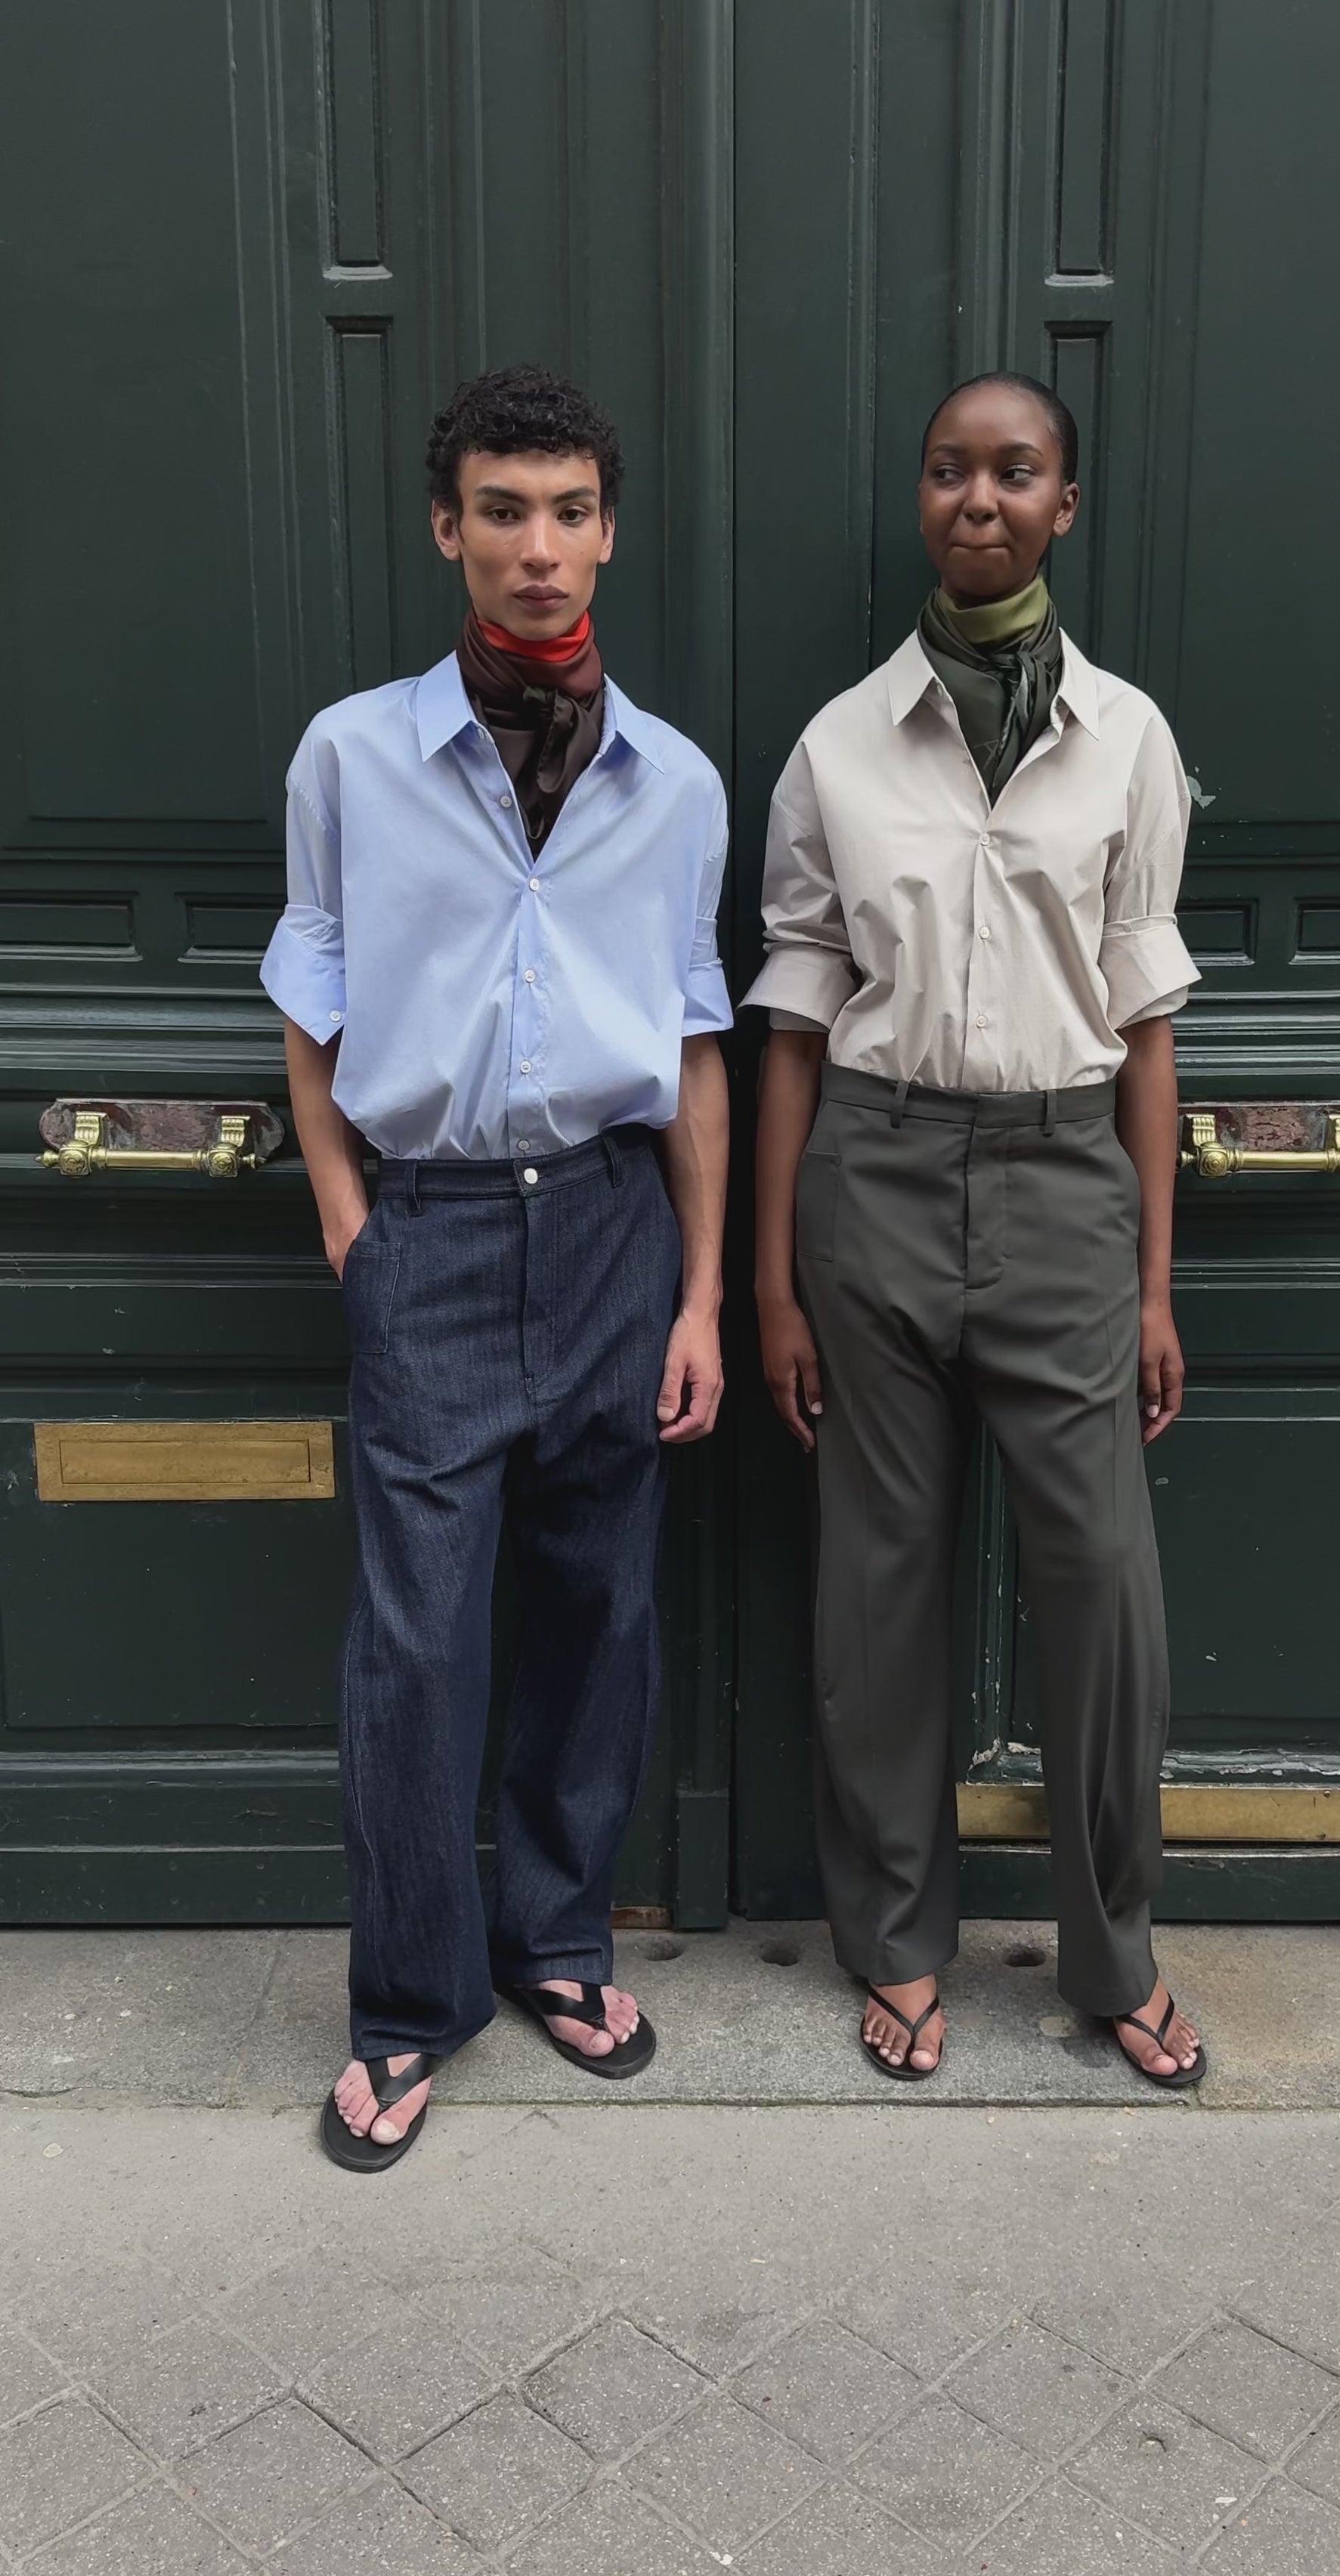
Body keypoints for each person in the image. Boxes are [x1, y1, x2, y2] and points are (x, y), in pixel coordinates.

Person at [261, 365, 731, 2168]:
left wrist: (695, 1289)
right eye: (502, 511)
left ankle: (553, 1936)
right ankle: (403, 2005)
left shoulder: (673, 780)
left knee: (599, 1616)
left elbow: (695, 1042)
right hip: (434, 1229)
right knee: (414, 1643)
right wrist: (343, 1208)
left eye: (568, 511)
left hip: (615, 1226)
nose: (538, 549)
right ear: (447, 526)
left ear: (608, 528)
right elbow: (309, 989)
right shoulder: (351, 755)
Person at [747, 371, 1205, 2089]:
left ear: (1062, 505)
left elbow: (1147, 1018)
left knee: (1102, 1582)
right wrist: (777, 1277)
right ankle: (895, 1940)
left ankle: (1112, 1952)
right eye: (950, 471)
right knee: (880, 1583)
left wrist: (1153, 1276)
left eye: (1015, 472)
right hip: (869, 1172)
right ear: (920, 500)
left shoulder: (1130, 740)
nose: (980, 499)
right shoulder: (839, 746)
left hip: (1063, 1176)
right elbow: (792, 1021)